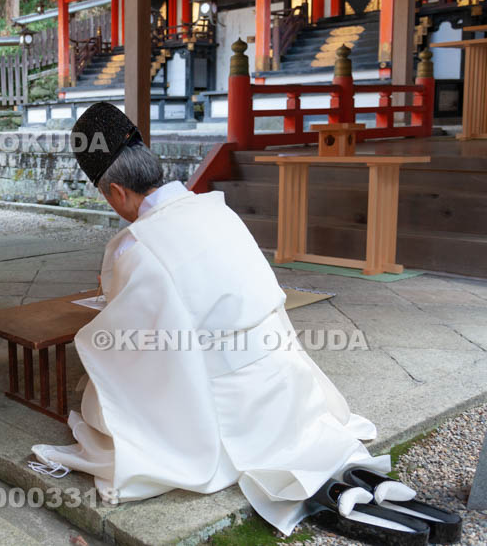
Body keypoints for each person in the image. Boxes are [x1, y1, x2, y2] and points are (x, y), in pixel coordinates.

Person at [30, 102, 388, 536]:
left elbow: (134, 340)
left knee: (101, 399)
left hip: (222, 399)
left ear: (116, 192)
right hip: (284, 384)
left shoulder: (138, 246)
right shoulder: (219, 210)